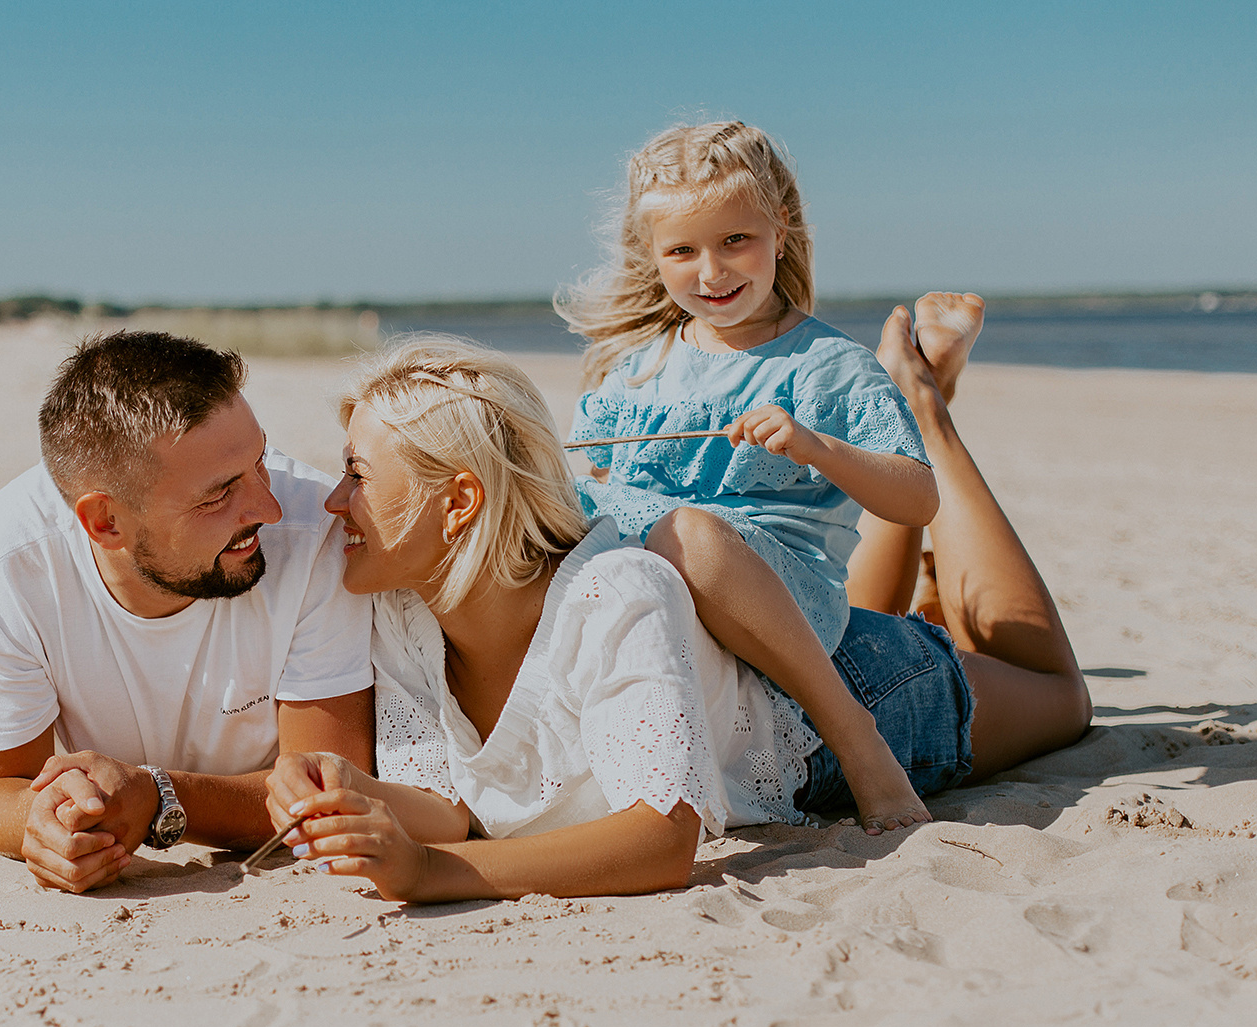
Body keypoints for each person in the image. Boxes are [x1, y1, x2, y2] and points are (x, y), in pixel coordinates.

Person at [264, 313, 1090, 905]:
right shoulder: (402, 617)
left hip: (842, 700)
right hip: (744, 651)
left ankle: (927, 412)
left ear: (460, 502)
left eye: (359, 475)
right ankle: (925, 565)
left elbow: (663, 839)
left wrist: (436, 875)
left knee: (1058, 693)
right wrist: (356, 791)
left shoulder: (618, 592)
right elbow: (448, 807)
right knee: (907, 613)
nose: (335, 501)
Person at [556, 121, 942, 834]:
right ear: (653, 256)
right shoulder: (637, 367)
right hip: (659, 583)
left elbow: (918, 496)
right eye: (683, 250)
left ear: (781, 229)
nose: (712, 272)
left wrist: (818, 447)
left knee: (690, 533)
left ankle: (857, 741)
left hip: (779, 596)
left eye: (736, 240)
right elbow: (611, 480)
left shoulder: (827, 366)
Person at [0, 331, 374, 893]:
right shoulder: (7, 563)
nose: (269, 506)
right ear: (106, 523)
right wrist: (48, 826)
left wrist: (158, 798)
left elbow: (331, 792)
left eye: (260, 459)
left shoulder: (318, 534)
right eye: (218, 495)